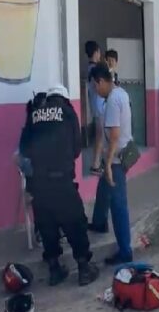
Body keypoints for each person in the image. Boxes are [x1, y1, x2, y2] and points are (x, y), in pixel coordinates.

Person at [18, 85, 99, 286]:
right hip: (62, 180)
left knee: (47, 225)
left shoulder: (35, 112)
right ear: (64, 97)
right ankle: (84, 269)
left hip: (39, 183)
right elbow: (77, 149)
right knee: (75, 223)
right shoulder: (68, 112)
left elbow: (24, 149)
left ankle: (55, 270)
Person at [88, 64, 134, 265]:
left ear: (101, 81)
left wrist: (107, 165)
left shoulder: (113, 100)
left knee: (118, 206)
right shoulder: (120, 93)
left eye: (95, 86)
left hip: (116, 159)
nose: (95, 91)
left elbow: (114, 135)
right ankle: (99, 222)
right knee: (104, 190)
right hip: (119, 155)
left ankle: (125, 251)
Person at [85, 41, 106, 175]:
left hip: (95, 105)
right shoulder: (95, 69)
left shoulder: (89, 68)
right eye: (99, 52)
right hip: (99, 106)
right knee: (100, 136)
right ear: (96, 51)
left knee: (100, 135)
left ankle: (97, 162)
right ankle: (96, 164)